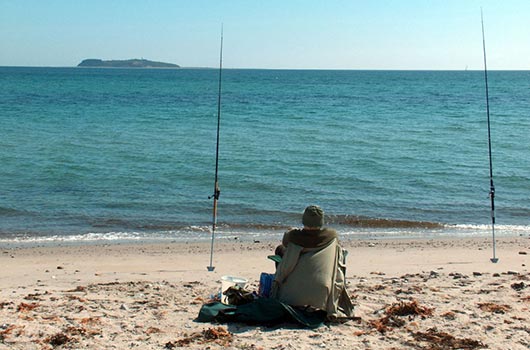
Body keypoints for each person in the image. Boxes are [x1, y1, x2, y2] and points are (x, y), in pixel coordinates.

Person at [270, 205, 354, 321]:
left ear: (304, 220)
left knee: (280, 250)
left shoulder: (293, 236)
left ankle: (282, 285)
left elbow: (285, 244)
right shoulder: (332, 236)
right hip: (322, 296)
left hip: (291, 295)